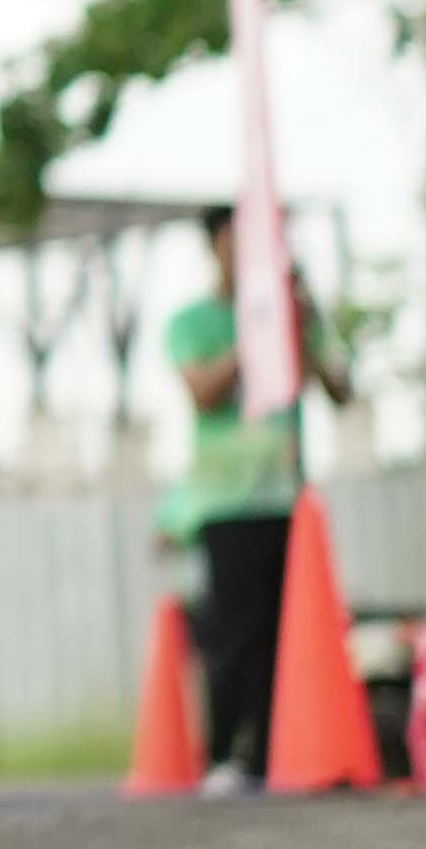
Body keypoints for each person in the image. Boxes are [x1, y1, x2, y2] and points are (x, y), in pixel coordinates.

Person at [157, 213, 344, 791]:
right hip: (226, 503)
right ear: (215, 246)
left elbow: (340, 389)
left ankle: (269, 756)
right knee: (231, 633)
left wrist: (300, 324)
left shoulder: (295, 315)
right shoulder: (192, 322)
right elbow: (203, 394)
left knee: (280, 635)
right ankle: (223, 755)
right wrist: (255, 330)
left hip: (286, 498)